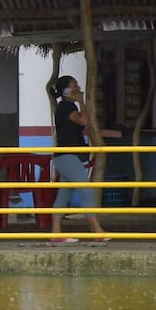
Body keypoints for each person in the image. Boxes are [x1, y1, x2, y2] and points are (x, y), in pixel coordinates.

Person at [50, 75, 108, 244]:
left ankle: (55, 234)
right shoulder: (65, 107)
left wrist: (80, 102)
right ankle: (97, 231)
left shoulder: (68, 106)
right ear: (66, 91)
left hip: (67, 157)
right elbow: (84, 120)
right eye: (74, 86)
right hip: (68, 156)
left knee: (63, 196)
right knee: (87, 191)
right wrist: (82, 101)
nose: (77, 88)